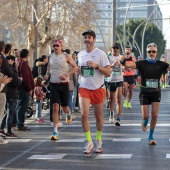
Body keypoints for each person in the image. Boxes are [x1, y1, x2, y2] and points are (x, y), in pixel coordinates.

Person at [121, 42, 169, 145]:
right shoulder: (142, 63)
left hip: (156, 92)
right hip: (145, 92)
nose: (151, 53)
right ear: (147, 53)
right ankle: (145, 122)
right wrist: (123, 61)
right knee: (145, 116)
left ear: (156, 53)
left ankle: (151, 136)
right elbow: (130, 65)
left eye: (153, 52)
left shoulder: (161, 64)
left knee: (155, 115)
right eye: (149, 52)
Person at [77, 30, 110, 154]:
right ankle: (89, 141)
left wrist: (97, 66)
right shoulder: (80, 54)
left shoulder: (100, 54)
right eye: (85, 37)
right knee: (84, 114)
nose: (87, 39)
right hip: (84, 87)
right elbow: (80, 70)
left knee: (98, 115)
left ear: (94, 39)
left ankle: (99, 139)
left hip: (98, 88)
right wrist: (79, 72)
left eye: (89, 37)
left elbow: (108, 72)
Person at [45, 39, 77, 140]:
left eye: (57, 45)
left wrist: (67, 74)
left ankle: (68, 113)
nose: (55, 47)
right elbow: (49, 69)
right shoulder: (50, 57)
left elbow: (75, 67)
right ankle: (55, 131)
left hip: (64, 85)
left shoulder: (66, 56)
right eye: (54, 45)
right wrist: (47, 75)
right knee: (55, 108)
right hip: (54, 84)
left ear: (61, 47)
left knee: (64, 107)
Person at [0, 55, 22, 138]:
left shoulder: (4, 69)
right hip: (11, 93)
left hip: (5, 92)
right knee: (10, 113)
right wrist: (20, 80)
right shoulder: (11, 70)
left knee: (5, 113)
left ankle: (2, 129)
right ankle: (8, 131)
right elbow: (16, 82)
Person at [15, 49, 34, 131]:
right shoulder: (24, 64)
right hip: (23, 88)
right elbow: (26, 77)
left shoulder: (17, 62)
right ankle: (20, 123)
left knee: (19, 106)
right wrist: (29, 89)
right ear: (27, 55)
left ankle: (18, 122)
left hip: (19, 87)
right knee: (22, 106)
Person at [107, 43, 123, 126]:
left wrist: (122, 66)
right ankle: (111, 113)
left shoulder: (121, 57)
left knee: (119, 98)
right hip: (111, 80)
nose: (115, 49)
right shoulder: (109, 57)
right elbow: (105, 67)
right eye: (114, 48)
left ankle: (118, 118)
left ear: (119, 49)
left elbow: (125, 66)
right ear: (112, 49)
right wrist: (112, 65)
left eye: (117, 48)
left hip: (119, 79)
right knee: (111, 99)